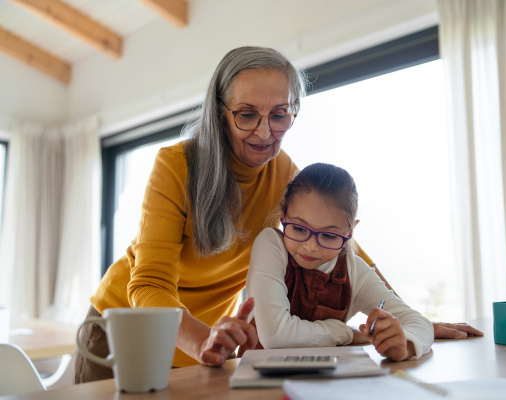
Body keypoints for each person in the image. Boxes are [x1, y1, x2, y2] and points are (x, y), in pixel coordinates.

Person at [75, 46, 481, 384]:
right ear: (220, 113)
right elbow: (148, 284)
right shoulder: (176, 165)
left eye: (280, 114)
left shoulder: (283, 172)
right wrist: (201, 340)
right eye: (247, 114)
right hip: (126, 331)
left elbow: (346, 252)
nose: (266, 132)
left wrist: (408, 322)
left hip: (210, 343)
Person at [243, 163, 433, 360]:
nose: (310, 246)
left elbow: (418, 322)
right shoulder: (271, 245)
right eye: (299, 229)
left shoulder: (354, 270)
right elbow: (275, 336)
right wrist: (347, 333)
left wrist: (404, 345)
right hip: (257, 383)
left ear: (350, 232)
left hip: (327, 383)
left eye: (328, 235)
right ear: (283, 214)